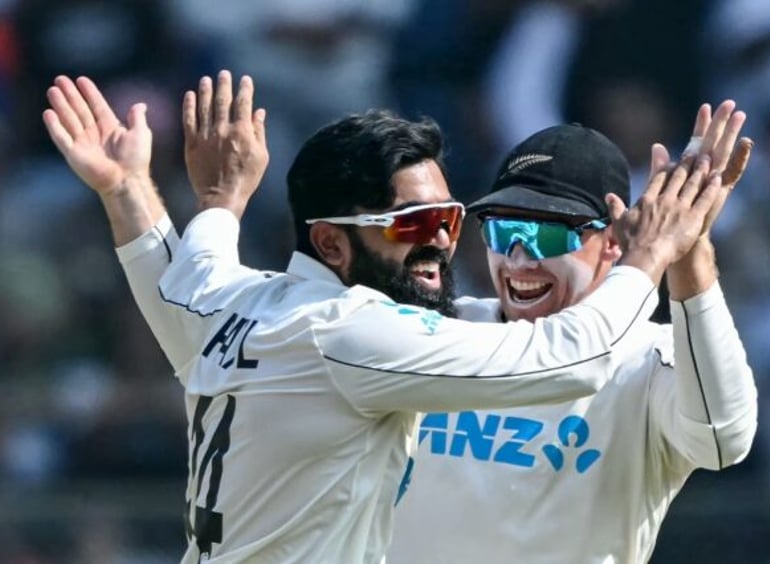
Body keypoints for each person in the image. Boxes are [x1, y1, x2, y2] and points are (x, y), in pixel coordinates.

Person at [43, 71, 727, 563]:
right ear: (332, 243)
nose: (440, 242)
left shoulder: (237, 302)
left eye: (449, 218)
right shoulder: (355, 333)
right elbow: (567, 357)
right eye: (413, 224)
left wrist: (139, 189)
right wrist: (650, 252)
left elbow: (179, 286)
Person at [388, 112, 758, 563]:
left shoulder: (646, 358)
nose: (520, 259)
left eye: (547, 234)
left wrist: (688, 247)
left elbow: (723, 439)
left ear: (615, 243)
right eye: (503, 232)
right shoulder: (442, 332)